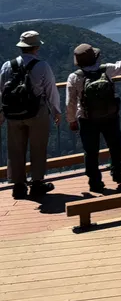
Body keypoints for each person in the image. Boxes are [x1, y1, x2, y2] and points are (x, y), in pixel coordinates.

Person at [65, 43, 121, 193]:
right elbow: (119, 67)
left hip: (87, 119)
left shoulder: (74, 77)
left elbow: (70, 102)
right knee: (115, 146)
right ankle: (118, 175)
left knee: (91, 152)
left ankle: (95, 182)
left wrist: (71, 120)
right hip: (110, 116)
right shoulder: (106, 70)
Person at [2, 30, 62, 201]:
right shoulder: (42, 66)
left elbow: (1, 91)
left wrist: (1, 112)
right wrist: (56, 111)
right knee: (38, 147)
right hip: (37, 112)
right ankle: (37, 184)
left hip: (13, 114)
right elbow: (51, 90)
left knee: (15, 149)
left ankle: (18, 186)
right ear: (36, 47)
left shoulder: (7, 65)